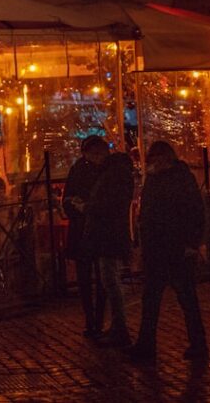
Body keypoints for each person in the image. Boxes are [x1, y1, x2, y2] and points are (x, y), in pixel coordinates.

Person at [126, 141, 208, 363]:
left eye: (160, 158)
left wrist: (191, 243)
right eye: (154, 158)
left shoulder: (180, 178)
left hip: (176, 247)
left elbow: (195, 212)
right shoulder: (155, 179)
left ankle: (197, 343)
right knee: (153, 299)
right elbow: (149, 214)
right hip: (158, 248)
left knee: (185, 298)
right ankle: (147, 345)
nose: (157, 162)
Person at [82, 137, 136, 347]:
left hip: (108, 234)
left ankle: (120, 329)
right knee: (110, 280)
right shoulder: (114, 172)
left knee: (111, 281)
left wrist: (88, 207)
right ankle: (117, 327)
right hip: (110, 233)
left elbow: (107, 205)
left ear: (98, 153)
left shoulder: (112, 174)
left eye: (91, 157)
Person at [63, 136, 108, 338]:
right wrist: (75, 207)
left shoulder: (105, 171)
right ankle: (91, 319)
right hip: (83, 229)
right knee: (85, 278)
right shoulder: (78, 169)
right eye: (92, 153)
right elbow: (67, 199)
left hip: (96, 228)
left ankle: (97, 319)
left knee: (101, 277)